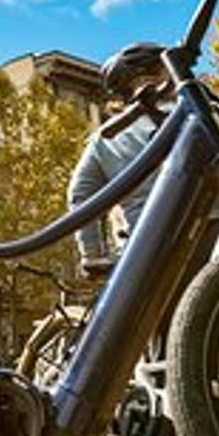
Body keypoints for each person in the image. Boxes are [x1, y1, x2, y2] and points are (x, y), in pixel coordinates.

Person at [67, 43, 172, 275]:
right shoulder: (202, 112)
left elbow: (80, 196)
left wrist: (91, 255)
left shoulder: (104, 139)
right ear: (162, 73)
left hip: (147, 248)